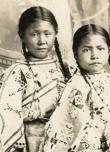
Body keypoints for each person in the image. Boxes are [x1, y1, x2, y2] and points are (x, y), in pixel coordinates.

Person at [41, 24, 110, 152]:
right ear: (76, 54)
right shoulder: (75, 84)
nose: (94, 55)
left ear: (108, 51)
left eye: (100, 48)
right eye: (86, 50)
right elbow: (66, 122)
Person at [0, 6, 71, 152]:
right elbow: (8, 114)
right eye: (34, 34)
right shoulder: (17, 71)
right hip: (31, 141)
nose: (42, 41)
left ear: (55, 34)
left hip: (63, 139)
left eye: (47, 34)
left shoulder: (65, 68)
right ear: (22, 36)